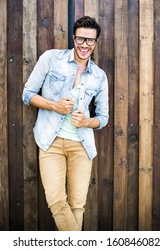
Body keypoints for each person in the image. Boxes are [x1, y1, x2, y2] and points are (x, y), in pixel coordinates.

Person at [22, 16, 109, 231]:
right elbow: (27, 94)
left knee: (78, 206)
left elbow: (103, 118)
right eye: (80, 39)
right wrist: (55, 106)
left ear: (95, 43)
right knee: (57, 202)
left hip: (81, 146)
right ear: (73, 38)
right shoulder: (51, 59)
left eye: (90, 41)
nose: (84, 45)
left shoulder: (99, 76)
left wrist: (87, 121)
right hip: (51, 143)